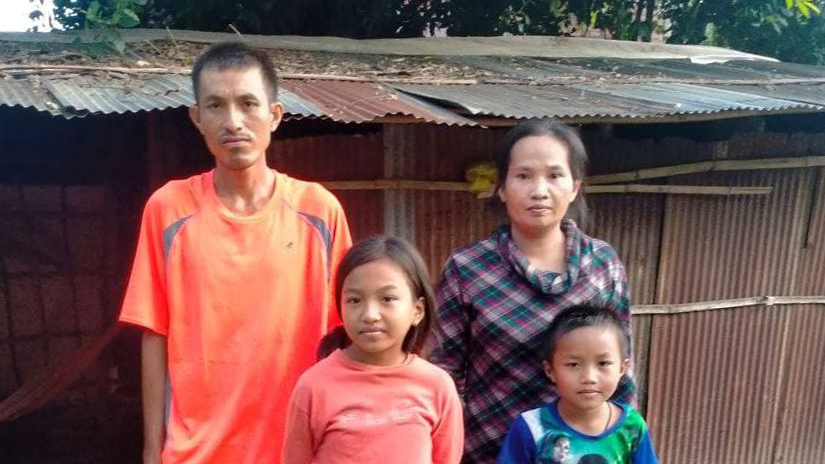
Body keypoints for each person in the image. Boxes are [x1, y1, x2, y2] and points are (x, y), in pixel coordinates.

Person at [118, 42, 352, 464]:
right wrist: (152, 450)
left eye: (248, 104)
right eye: (216, 105)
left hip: (298, 449)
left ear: (274, 115)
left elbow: (347, 339)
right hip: (195, 453)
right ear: (197, 119)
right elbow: (154, 336)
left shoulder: (319, 210)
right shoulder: (168, 209)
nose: (233, 122)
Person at [427, 120, 634, 464]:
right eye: (523, 176)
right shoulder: (469, 268)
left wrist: (623, 443)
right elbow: (442, 373)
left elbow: (623, 374)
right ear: (503, 188)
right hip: (489, 451)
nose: (539, 190)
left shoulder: (603, 265)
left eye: (554, 175)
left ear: (574, 187)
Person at [282, 236, 464, 464]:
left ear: (417, 310)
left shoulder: (437, 386)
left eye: (387, 298)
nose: (369, 315)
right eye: (355, 300)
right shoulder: (314, 387)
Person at [497, 305, 657, 464]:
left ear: (622, 368)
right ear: (550, 370)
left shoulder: (632, 427)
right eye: (573, 365)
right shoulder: (531, 427)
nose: (589, 378)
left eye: (603, 363)